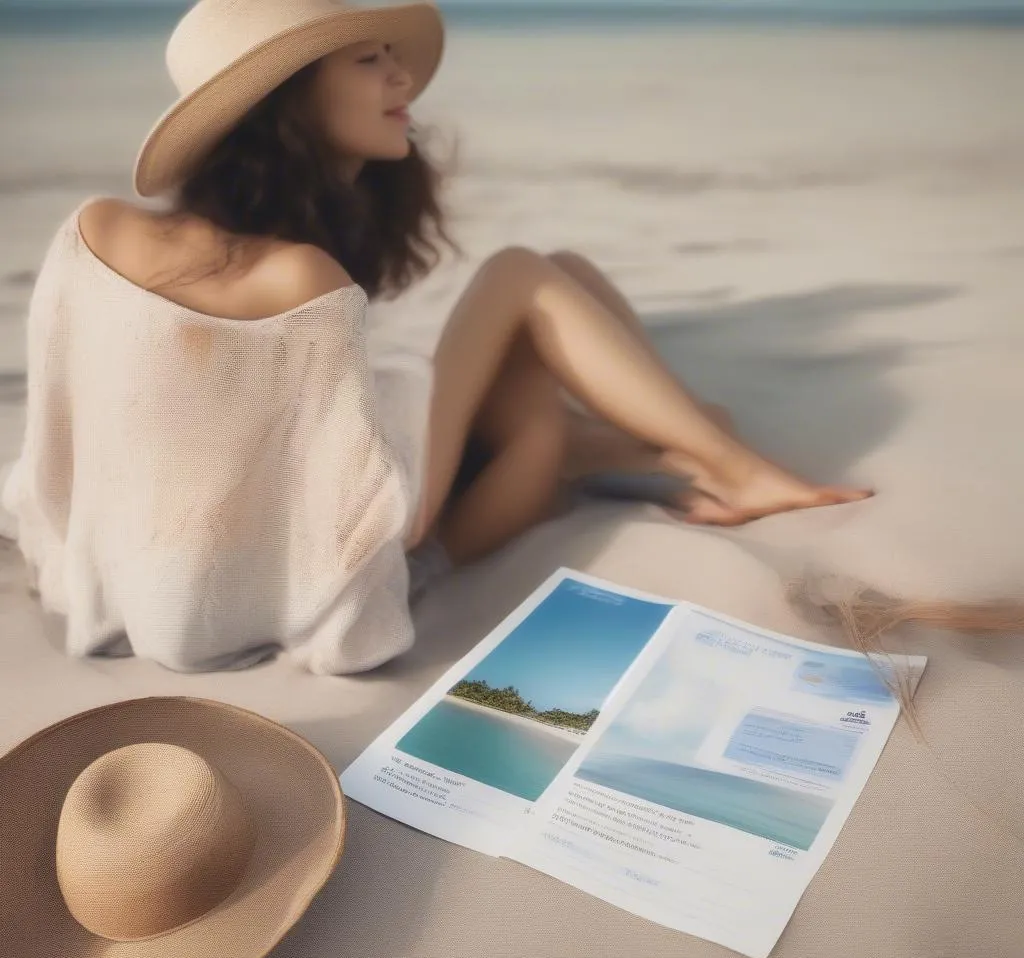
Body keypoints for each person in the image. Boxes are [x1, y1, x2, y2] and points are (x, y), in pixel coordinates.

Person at [1, 0, 872, 676]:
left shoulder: (94, 229)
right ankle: (714, 461)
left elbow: (60, 439)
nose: (403, 83)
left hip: (195, 558)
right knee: (526, 282)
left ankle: (668, 447)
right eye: (371, 60)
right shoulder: (305, 278)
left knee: (555, 298)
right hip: (357, 540)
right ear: (289, 98)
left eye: (397, 62)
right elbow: (382, 514)